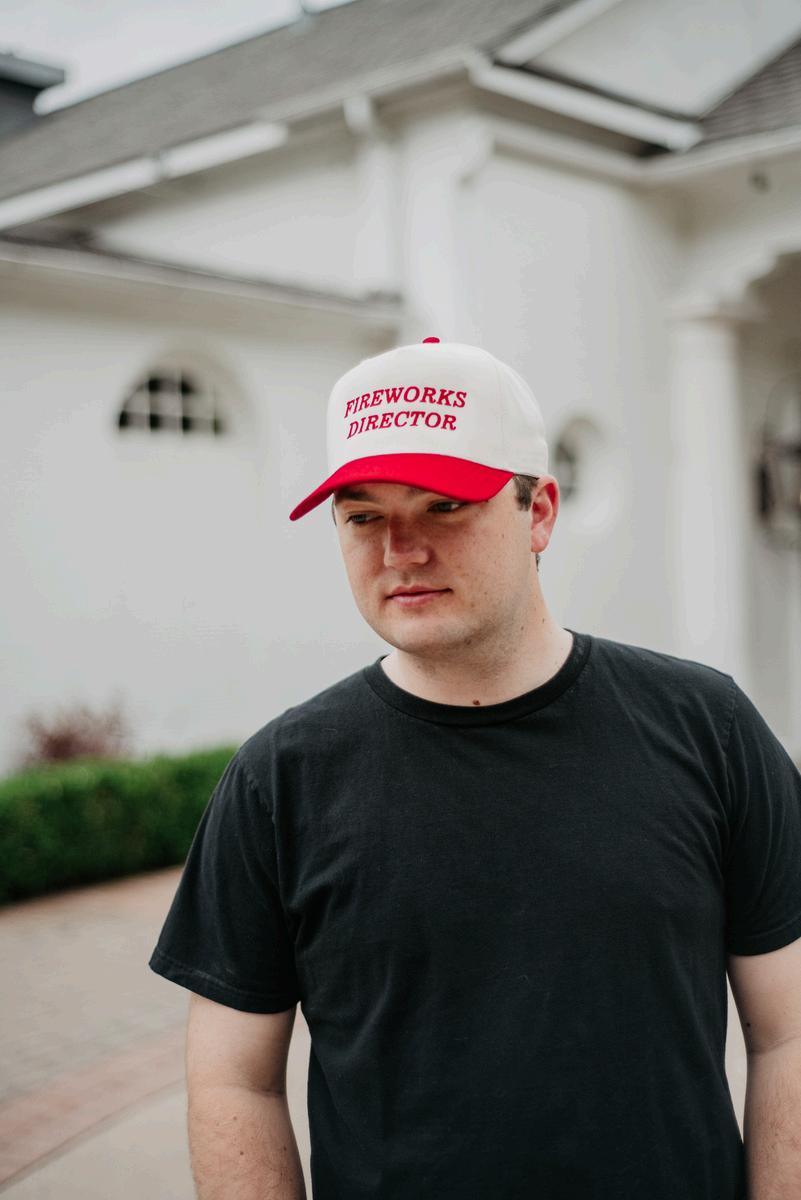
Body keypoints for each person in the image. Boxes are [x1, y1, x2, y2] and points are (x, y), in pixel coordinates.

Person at [149, 336, 801, 1200]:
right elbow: (235, 1081)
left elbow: (787, 1032)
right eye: (362, 516)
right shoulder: (279, 780)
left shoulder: (705, 728)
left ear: (539, 513)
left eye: (444, 505)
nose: (400, 549)